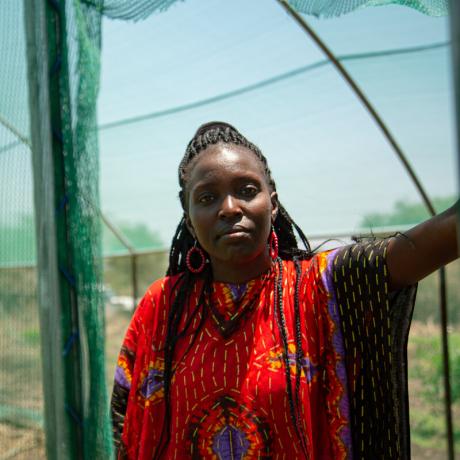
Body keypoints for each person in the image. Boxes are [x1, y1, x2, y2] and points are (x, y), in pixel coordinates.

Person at [111, 122, 458, 460]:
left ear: (272, 203)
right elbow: (124, 419)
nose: (230, 208)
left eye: (247, 191)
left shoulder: (318, 288)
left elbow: (433, 241)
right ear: (189, 218)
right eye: (207, 197)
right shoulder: (164, 304)